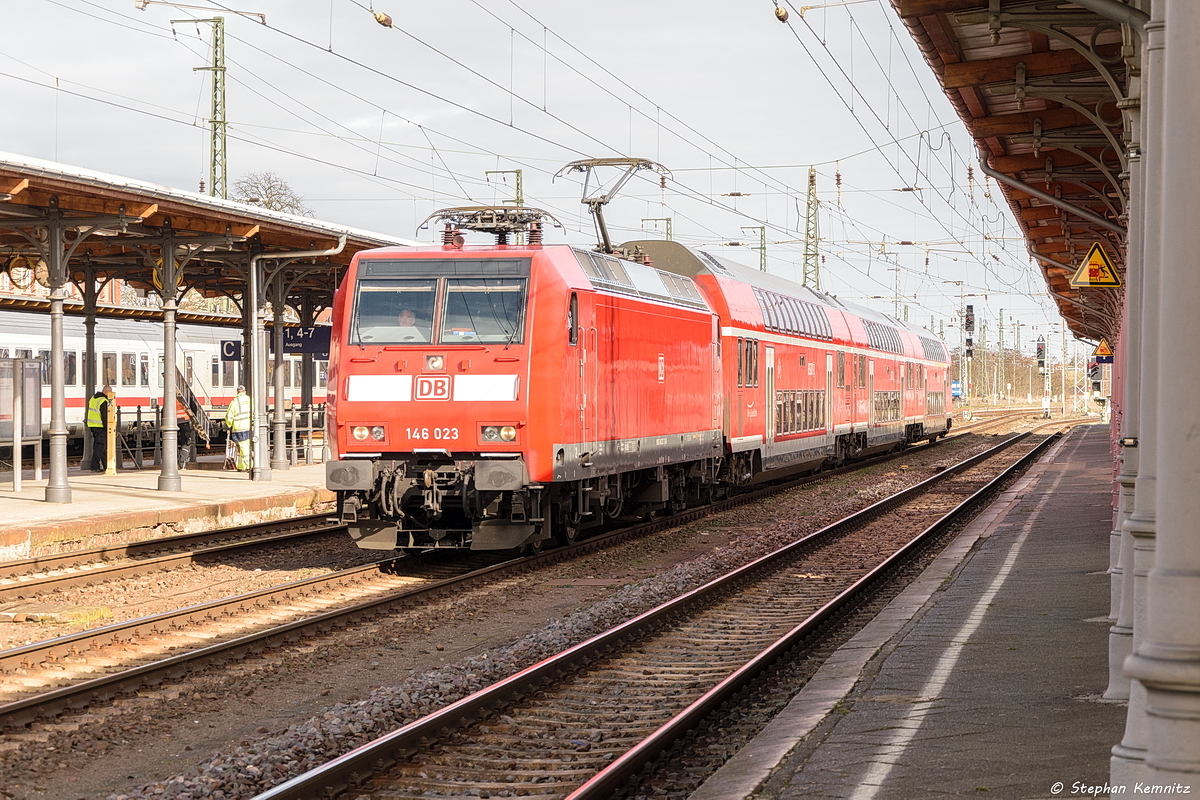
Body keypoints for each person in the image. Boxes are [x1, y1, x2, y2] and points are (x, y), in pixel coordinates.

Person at [225, 385, 253, 471]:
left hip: (239, 428)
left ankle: (248, 466)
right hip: (249, 427)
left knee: (242, 448)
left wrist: (229, 426)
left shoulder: (234, 402)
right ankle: (241, 466)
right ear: (244, 391)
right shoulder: (250, 400)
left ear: (237, 392)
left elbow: (228, 416)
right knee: (246, 447)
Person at [86, 385, 113, 473]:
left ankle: (106, 466)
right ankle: (95, 466)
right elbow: (105, 416)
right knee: (99, 447)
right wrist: (108, 428)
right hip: (100, 426)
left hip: (93, 425)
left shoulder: (93, 398)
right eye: (110, 393)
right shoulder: (104, 401)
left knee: (101, 446)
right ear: (106, 392)